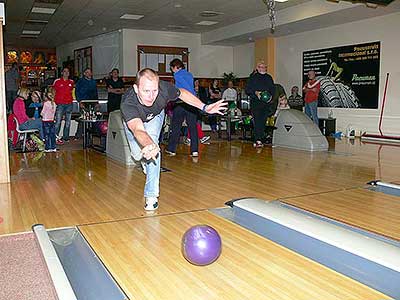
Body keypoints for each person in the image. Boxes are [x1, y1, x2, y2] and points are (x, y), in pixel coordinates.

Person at [120, 68, 226, 211]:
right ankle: (144, 160)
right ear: (136, 88)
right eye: (146, 91)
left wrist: (205, 107)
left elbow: (182, 93)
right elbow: (138, 130)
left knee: (154, 150)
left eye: (154, 91)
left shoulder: (164, 89)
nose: (151, 96)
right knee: (137, 153)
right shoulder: (128, 103)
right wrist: (147, 144)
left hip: (156, 116)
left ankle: (151, 196)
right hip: (134, 123)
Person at [166, 59, 199, 157]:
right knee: (193, 128)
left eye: (172, 69)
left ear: (175, 67)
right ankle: (195, 151)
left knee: (176, 127)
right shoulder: (190, 74)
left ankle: (172, 149)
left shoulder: (177, 75)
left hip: (181, 103)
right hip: (192, 103)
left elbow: (182, 89)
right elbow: (191, 88)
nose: (172, 71)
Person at [245, 61, 275, 148]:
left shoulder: (269, 77)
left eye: (265, 67)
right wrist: (256, 93)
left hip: (265, 103)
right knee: (257, 121)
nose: (263, 69)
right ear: (257, 68)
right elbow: (247, 90)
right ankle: (257, 139)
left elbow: (272, 89)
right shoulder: (253, 78)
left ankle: (260, 139)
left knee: (263, 121)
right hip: (256, 103)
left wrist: (271, 98)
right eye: (261, 67)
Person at [75, 68, 98, 139]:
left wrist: (97, 102)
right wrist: (80, 101)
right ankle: (79, 135)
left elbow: (95, 92)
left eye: (90, 72)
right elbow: (77, 92)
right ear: (84, 73)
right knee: (83, 118)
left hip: (92, 102)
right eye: (87, 72)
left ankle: (90, 135)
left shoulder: (93, 82)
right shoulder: (80, 81)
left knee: (92, 118)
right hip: (83, 102)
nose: (89, 74)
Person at [53, 68, 74, 144]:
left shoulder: (71, 82)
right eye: (64, 71)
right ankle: (55, 137)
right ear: (62, 73)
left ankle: (66, 137)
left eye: (68, 71)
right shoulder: (57, 81)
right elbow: (53, 92)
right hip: (60, 104)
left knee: (68, 122)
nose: (66, 73)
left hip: (69, 104)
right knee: (58, 121)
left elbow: (72, 91)